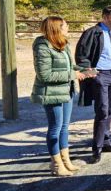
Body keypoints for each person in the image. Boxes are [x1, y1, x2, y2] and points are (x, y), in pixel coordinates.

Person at [31, 16, 91, 176]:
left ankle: (65, 160)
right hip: (51, 94)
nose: (68, 27)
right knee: (55, 128)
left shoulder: (63, 43)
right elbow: (44, 75)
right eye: (65, 25)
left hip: (67, 91)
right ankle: (56, 165)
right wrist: (73, 75)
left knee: (64, 127)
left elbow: (70, 66)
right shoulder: (42, 46)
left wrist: (84, 70)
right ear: (57, 27)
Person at [75, 6, 111, 164]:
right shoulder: (93, 32)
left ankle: (106, 141)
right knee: (102, 111)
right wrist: (89, 70)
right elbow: (82, 54)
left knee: (110, 109)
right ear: (104, 17)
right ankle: (97, 149)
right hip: (100, 75)